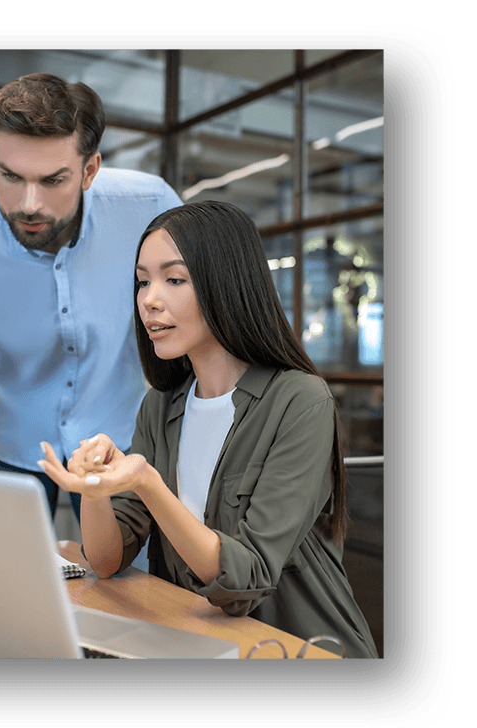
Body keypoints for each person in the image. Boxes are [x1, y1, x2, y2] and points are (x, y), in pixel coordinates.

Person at [38, 200, 379, 658]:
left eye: (174, 279)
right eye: (143, 281)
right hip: (196, 639)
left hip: (297, 645)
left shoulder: (300, 401)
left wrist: (147, 481)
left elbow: (245, 580)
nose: (149, 299)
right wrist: (95, 488)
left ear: (226, 284)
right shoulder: (161, 405)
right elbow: (105, 560)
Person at [0, 73, 183, 521]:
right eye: (11, 177)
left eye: (53, 180)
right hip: (9, 439)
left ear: (90, 170)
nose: (29, 204)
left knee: (130, 585)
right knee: (6, 580)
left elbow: (197, 319)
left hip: (120, 438)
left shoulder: (151, 206)